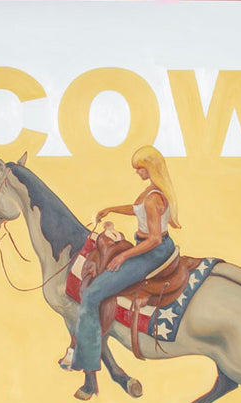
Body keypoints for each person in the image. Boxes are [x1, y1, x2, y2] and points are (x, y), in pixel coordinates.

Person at [70, 146, 181, 385]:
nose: (137, 172)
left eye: (140, 167)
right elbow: (136, 210)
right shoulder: (153, 191)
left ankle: (86, 361)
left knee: (90, 295)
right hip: (152, 247)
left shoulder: (153, 198)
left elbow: (154, 239)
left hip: (152, 253)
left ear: (150, 167)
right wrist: (113, 208)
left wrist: (124, 256)